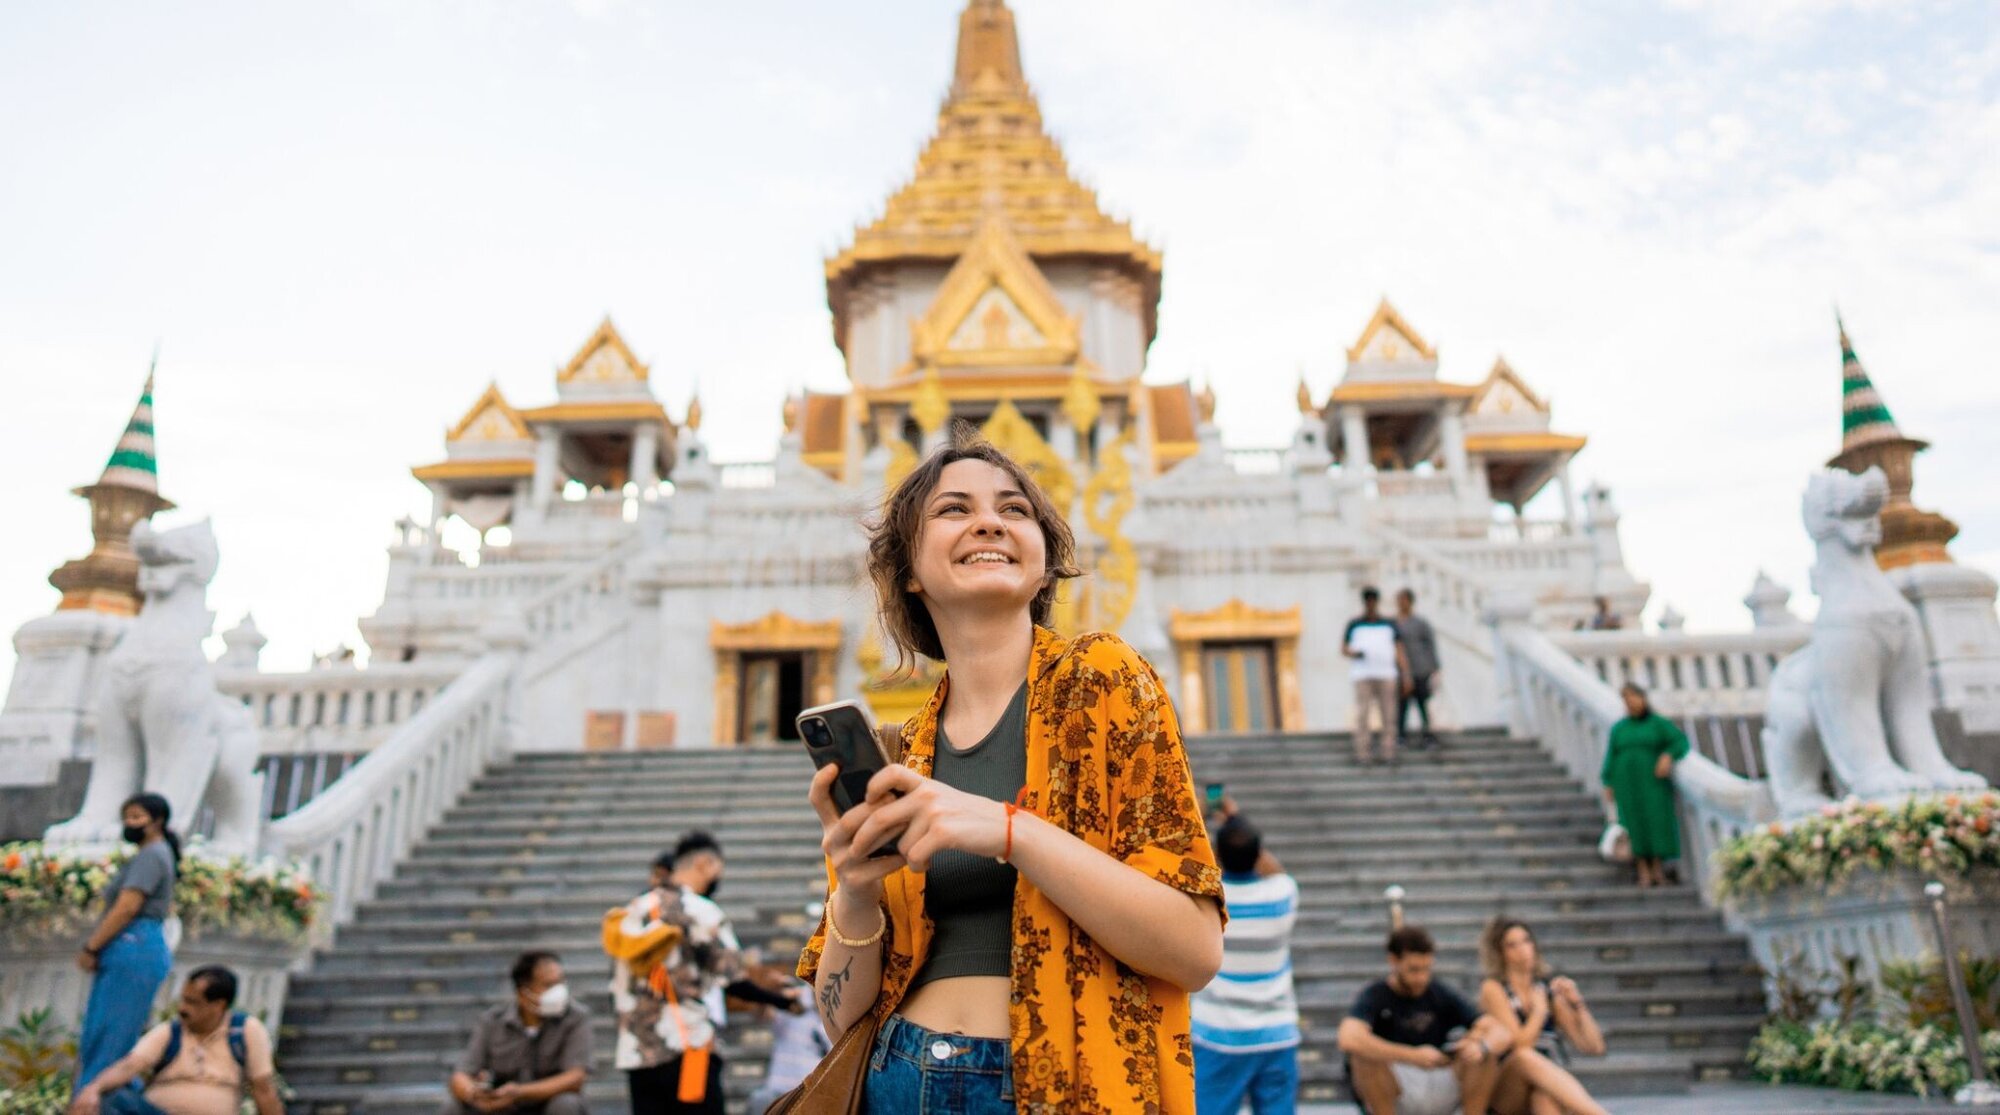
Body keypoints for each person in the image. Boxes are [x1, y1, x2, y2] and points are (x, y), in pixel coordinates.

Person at [798, 429, 1225, 1113]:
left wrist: (1007, 830)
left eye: (1014, 509)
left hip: (1066, 1087)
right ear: (909, 568)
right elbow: (838, 1013)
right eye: (953, 509)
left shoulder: (1105, 681)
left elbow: (1195, 950)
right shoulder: (901, 755)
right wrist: (852, 889)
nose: (989, 520)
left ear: (1044, 565)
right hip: (900, 1077)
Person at [612, 830, 769, 1114]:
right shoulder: (701, 910)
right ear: (704, 865)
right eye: (717, 870)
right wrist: (783, 999)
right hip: (688, 1047)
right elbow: (734, 980)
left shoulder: (633, 910)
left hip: (637, 1051)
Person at [1192, 812, 1301, 1115]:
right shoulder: (1282, 895)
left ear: (1220, 855)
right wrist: (1234, 816)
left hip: (1218, 1033)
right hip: (1276, 1032)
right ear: (1257, 854)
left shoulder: (1210, 900)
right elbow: (1274, 870)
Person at [1338, 925, 1507, 1115]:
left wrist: (1478, 1045)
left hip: (1440, 1078)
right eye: (1413, 970)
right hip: (1397, 1082)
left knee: (1484, 1054)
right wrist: (1412, 1055)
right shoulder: (1376, 995)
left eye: (1426, 969)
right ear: (1394, 961)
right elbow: (1348, 1037)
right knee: (1363, 1056)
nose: (1421, 978)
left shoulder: (1440, 992)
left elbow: (1500, 1032)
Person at [66, 966, 281, 1115]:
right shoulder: (171, 1031)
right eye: (183, 1000)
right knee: (111, 1100)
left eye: (192, 1002)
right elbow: (129, 1065)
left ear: (219, 1005)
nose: (182, 1008)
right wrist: (92, 1089)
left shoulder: (245, 1031)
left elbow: (264, 1090)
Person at [74, 793, 181, 1092]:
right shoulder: (154, 853)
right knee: (103, 1038)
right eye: (126, 817)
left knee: (110, 1041)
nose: (129, 824)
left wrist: (91, 946)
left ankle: (97, 1103)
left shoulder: (152, 855)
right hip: (133, 946)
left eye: (136, 817)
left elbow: (127, 907)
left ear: (157, 821)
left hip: (134, 943)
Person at [1476, 918, 1607, 1115]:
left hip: (1546, 1084)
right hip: (1510, 1089)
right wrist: (1538, 1012)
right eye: (1512, 945)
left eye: (1526, 941)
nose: (1523, 950)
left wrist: (1578, 1005)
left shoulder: (1546, 990)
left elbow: (1593, 1046)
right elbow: (1520, 1046)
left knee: (1543, 1096)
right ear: (1500, 953)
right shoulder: (1494, 989)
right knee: (1523, 1058)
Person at [443, 951, 590, 1115]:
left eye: (560, 983)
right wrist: (475, 1094)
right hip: (502, 1105)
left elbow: (576, 1077)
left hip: (548, 1103)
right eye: (548, 986)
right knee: (454, 1106)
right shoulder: (492, 1022)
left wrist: (520, 1092)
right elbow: (461, 1075)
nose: (558, 992)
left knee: (567, 1104)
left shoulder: (574, 1018)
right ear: (523, 993)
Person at [1600, 683, 1690, 888]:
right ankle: (1643, 871)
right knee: (1633, 824)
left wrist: (1668, 756)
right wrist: (1608, 781)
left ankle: (1658, 869)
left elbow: (1679, 742)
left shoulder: (1657, 724)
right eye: (1626, 698)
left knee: (1656, 821)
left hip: (1652, 783)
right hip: (1627, 784)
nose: (1631, 702)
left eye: (1634, 697)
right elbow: (1611, 757)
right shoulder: (1620, 729)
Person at [744, 969, 830, 1115]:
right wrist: (771, 988)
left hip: (812, 1093)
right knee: (760, 1099)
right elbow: (760, 1013)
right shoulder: (792, 1005)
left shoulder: (834, 1019)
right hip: (779, 1092)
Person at [1344, 587, 1412, 764]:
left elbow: (1399, 650)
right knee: (1363, 714)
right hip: (1363, 674)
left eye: (1373, 600)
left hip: (1386, 673)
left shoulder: (1389, 624)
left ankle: (1388, 752)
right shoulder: (1355, 624)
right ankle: (1362, 752)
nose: (1371, 604)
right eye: (1368, 600)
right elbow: (1344, 648)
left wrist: (1405, 674)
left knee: (1389, 715)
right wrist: (1356, 653)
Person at [1393, 589, 1441, 750]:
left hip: (1420, 670)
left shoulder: (1420, 623)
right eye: (1399, 600)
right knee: (1402, 705)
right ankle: (1400, 736)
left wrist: (1434, 668)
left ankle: (1428, 736)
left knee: (1422, 704)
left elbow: (1430, 645)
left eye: (1404, 600)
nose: (1401, 603)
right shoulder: (1394, 623)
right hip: (1400, 672)